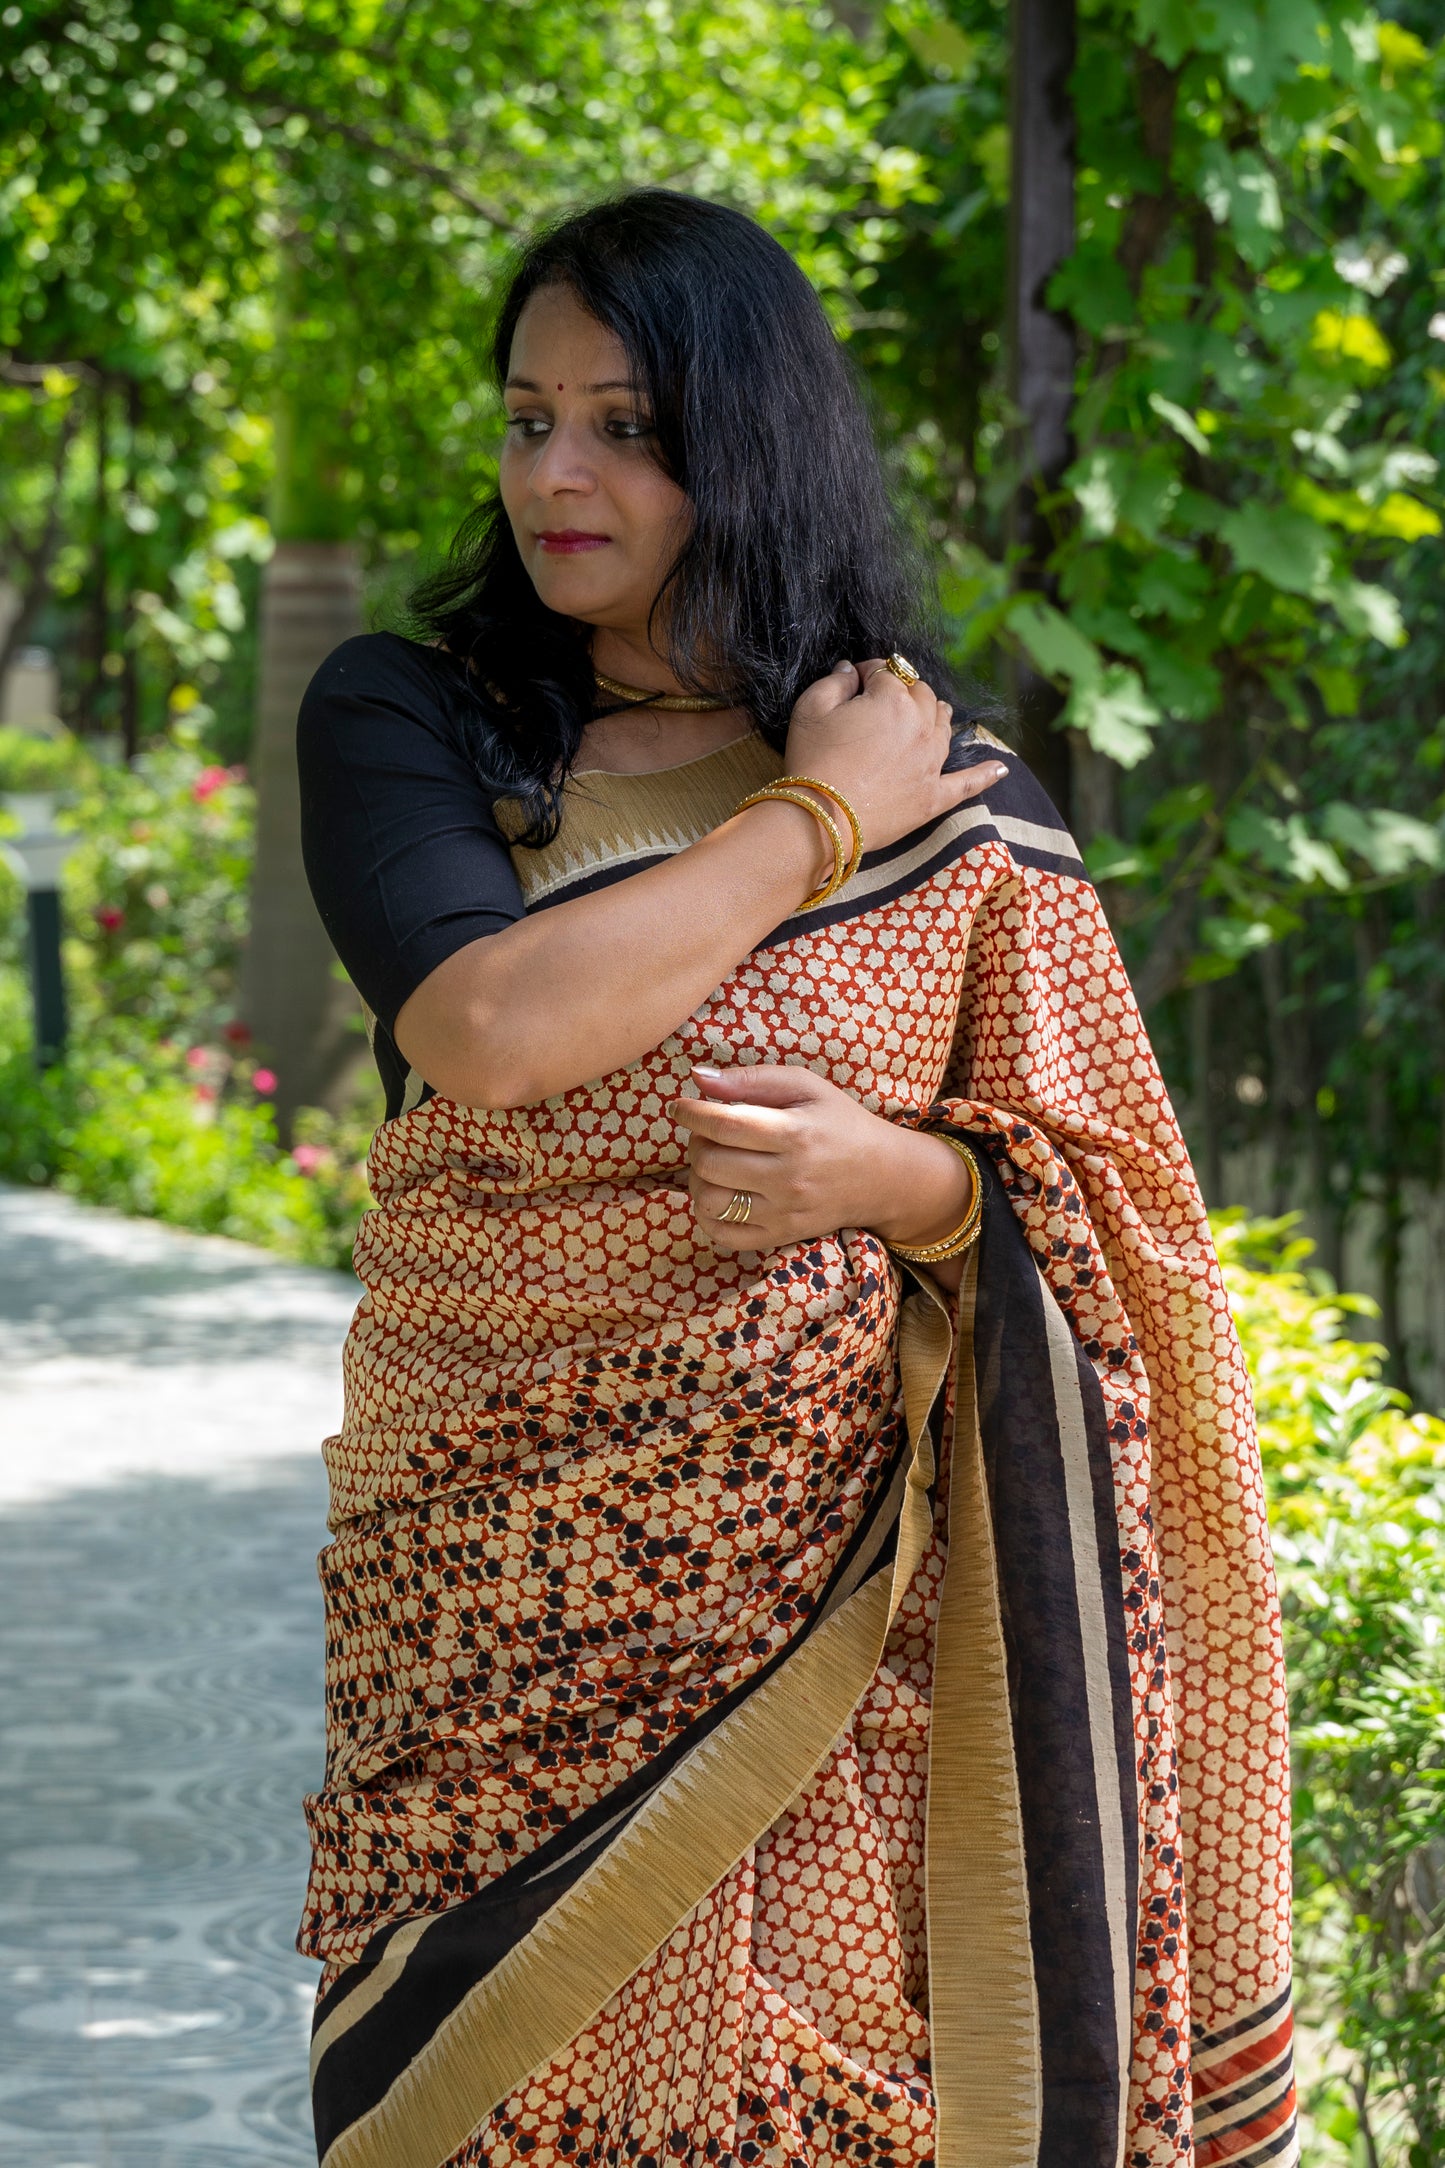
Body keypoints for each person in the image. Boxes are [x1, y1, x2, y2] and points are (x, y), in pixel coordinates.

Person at [296, 191, 1296, 2168]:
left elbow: (1117, 1233)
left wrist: (905, 1183)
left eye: (625, 425)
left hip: (853, 1640)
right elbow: (492, 1031)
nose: (556, 472)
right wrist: (817, 814)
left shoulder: (969, 805)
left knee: (823, 2107)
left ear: (744, 442)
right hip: (484, 1620)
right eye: (526, 419)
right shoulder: (419, 719)